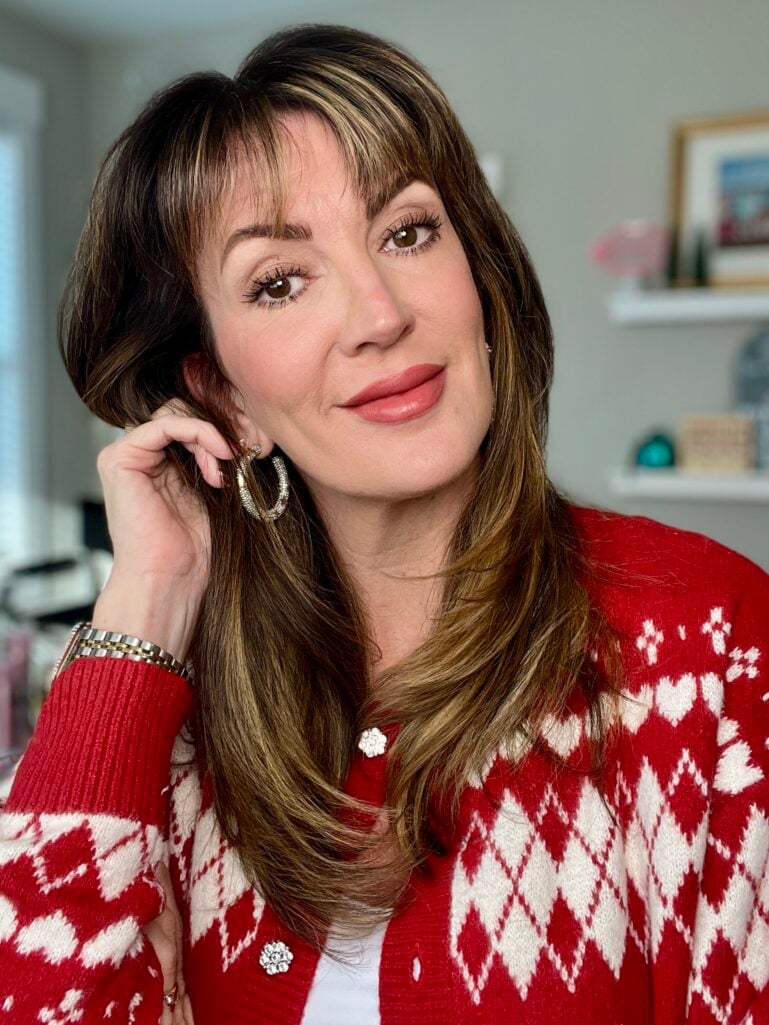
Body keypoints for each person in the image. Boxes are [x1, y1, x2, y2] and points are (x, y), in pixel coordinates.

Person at [0, 21, 767, 1025]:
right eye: (280, 281)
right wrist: (150, 593)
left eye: (406, 232)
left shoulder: (707, 641)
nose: (378, 311)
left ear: (477, 279)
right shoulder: (182, 710)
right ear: (223, 395)